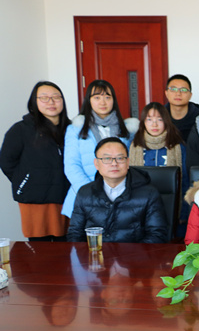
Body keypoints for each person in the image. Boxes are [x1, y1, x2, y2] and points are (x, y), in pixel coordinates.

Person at [0, 81, 71, 241]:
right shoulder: (20, 129)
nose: (51, 102)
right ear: (34, 102)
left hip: (66, 196)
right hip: (36, 199)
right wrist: (27, 180)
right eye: (44, 98)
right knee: (39, 249)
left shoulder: (71, 129)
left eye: (56, 97)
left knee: (67, 245)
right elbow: (6, 161)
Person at [67, 137, 168, 243]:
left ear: (128, 162)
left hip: (135, 253)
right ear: (96, 164)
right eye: (107, 158)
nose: (114, 163)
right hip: (95, 253)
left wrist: (131, 253)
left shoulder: (149, 193)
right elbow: (75, 234)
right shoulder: (85, 193)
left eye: (120, 158)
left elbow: (157, 235)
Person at [62, 80, 138, 218]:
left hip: (118, 198)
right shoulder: (75, 129)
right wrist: (91, 192)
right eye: (97, 97)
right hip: (85, 197)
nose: (103, 102)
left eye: (107, 97)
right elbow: (72, 165)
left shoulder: (126, 130)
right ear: (89, 100)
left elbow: (128, 163)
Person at [163, 74, 199, 142]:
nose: (178, 93)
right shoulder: (160, 116)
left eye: (183, 90)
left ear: (190, 95)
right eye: (173, 89)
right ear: (166, 93)